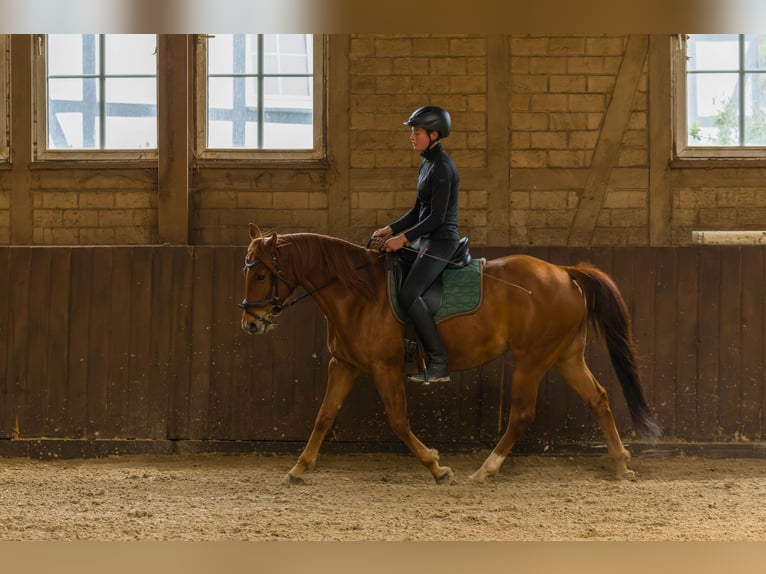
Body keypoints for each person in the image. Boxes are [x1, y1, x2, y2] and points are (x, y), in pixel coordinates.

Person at [372, 105, 460, 383]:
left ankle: (438, 362)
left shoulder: (443, 168)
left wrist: (403, 239)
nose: (411, 137)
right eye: (412, 132)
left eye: (416, 132)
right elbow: (417, 210)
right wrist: (391, 228)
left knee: (409, 294)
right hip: (426, 240)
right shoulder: (427, 164)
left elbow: (436, 217)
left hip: (442, 242)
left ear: (434, 134)